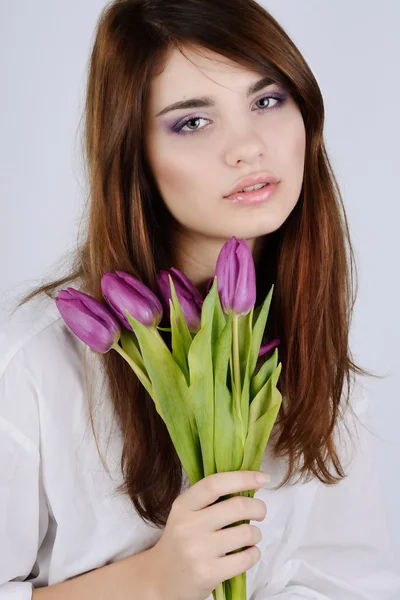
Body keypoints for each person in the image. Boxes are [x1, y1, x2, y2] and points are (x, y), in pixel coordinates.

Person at [1, 0, 399, 598]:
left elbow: (349, 583)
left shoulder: (309, 351)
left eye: (267, 101)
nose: (248, 147)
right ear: (134, 155)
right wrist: (155, 580)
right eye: (192, 121)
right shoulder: (37, 363)